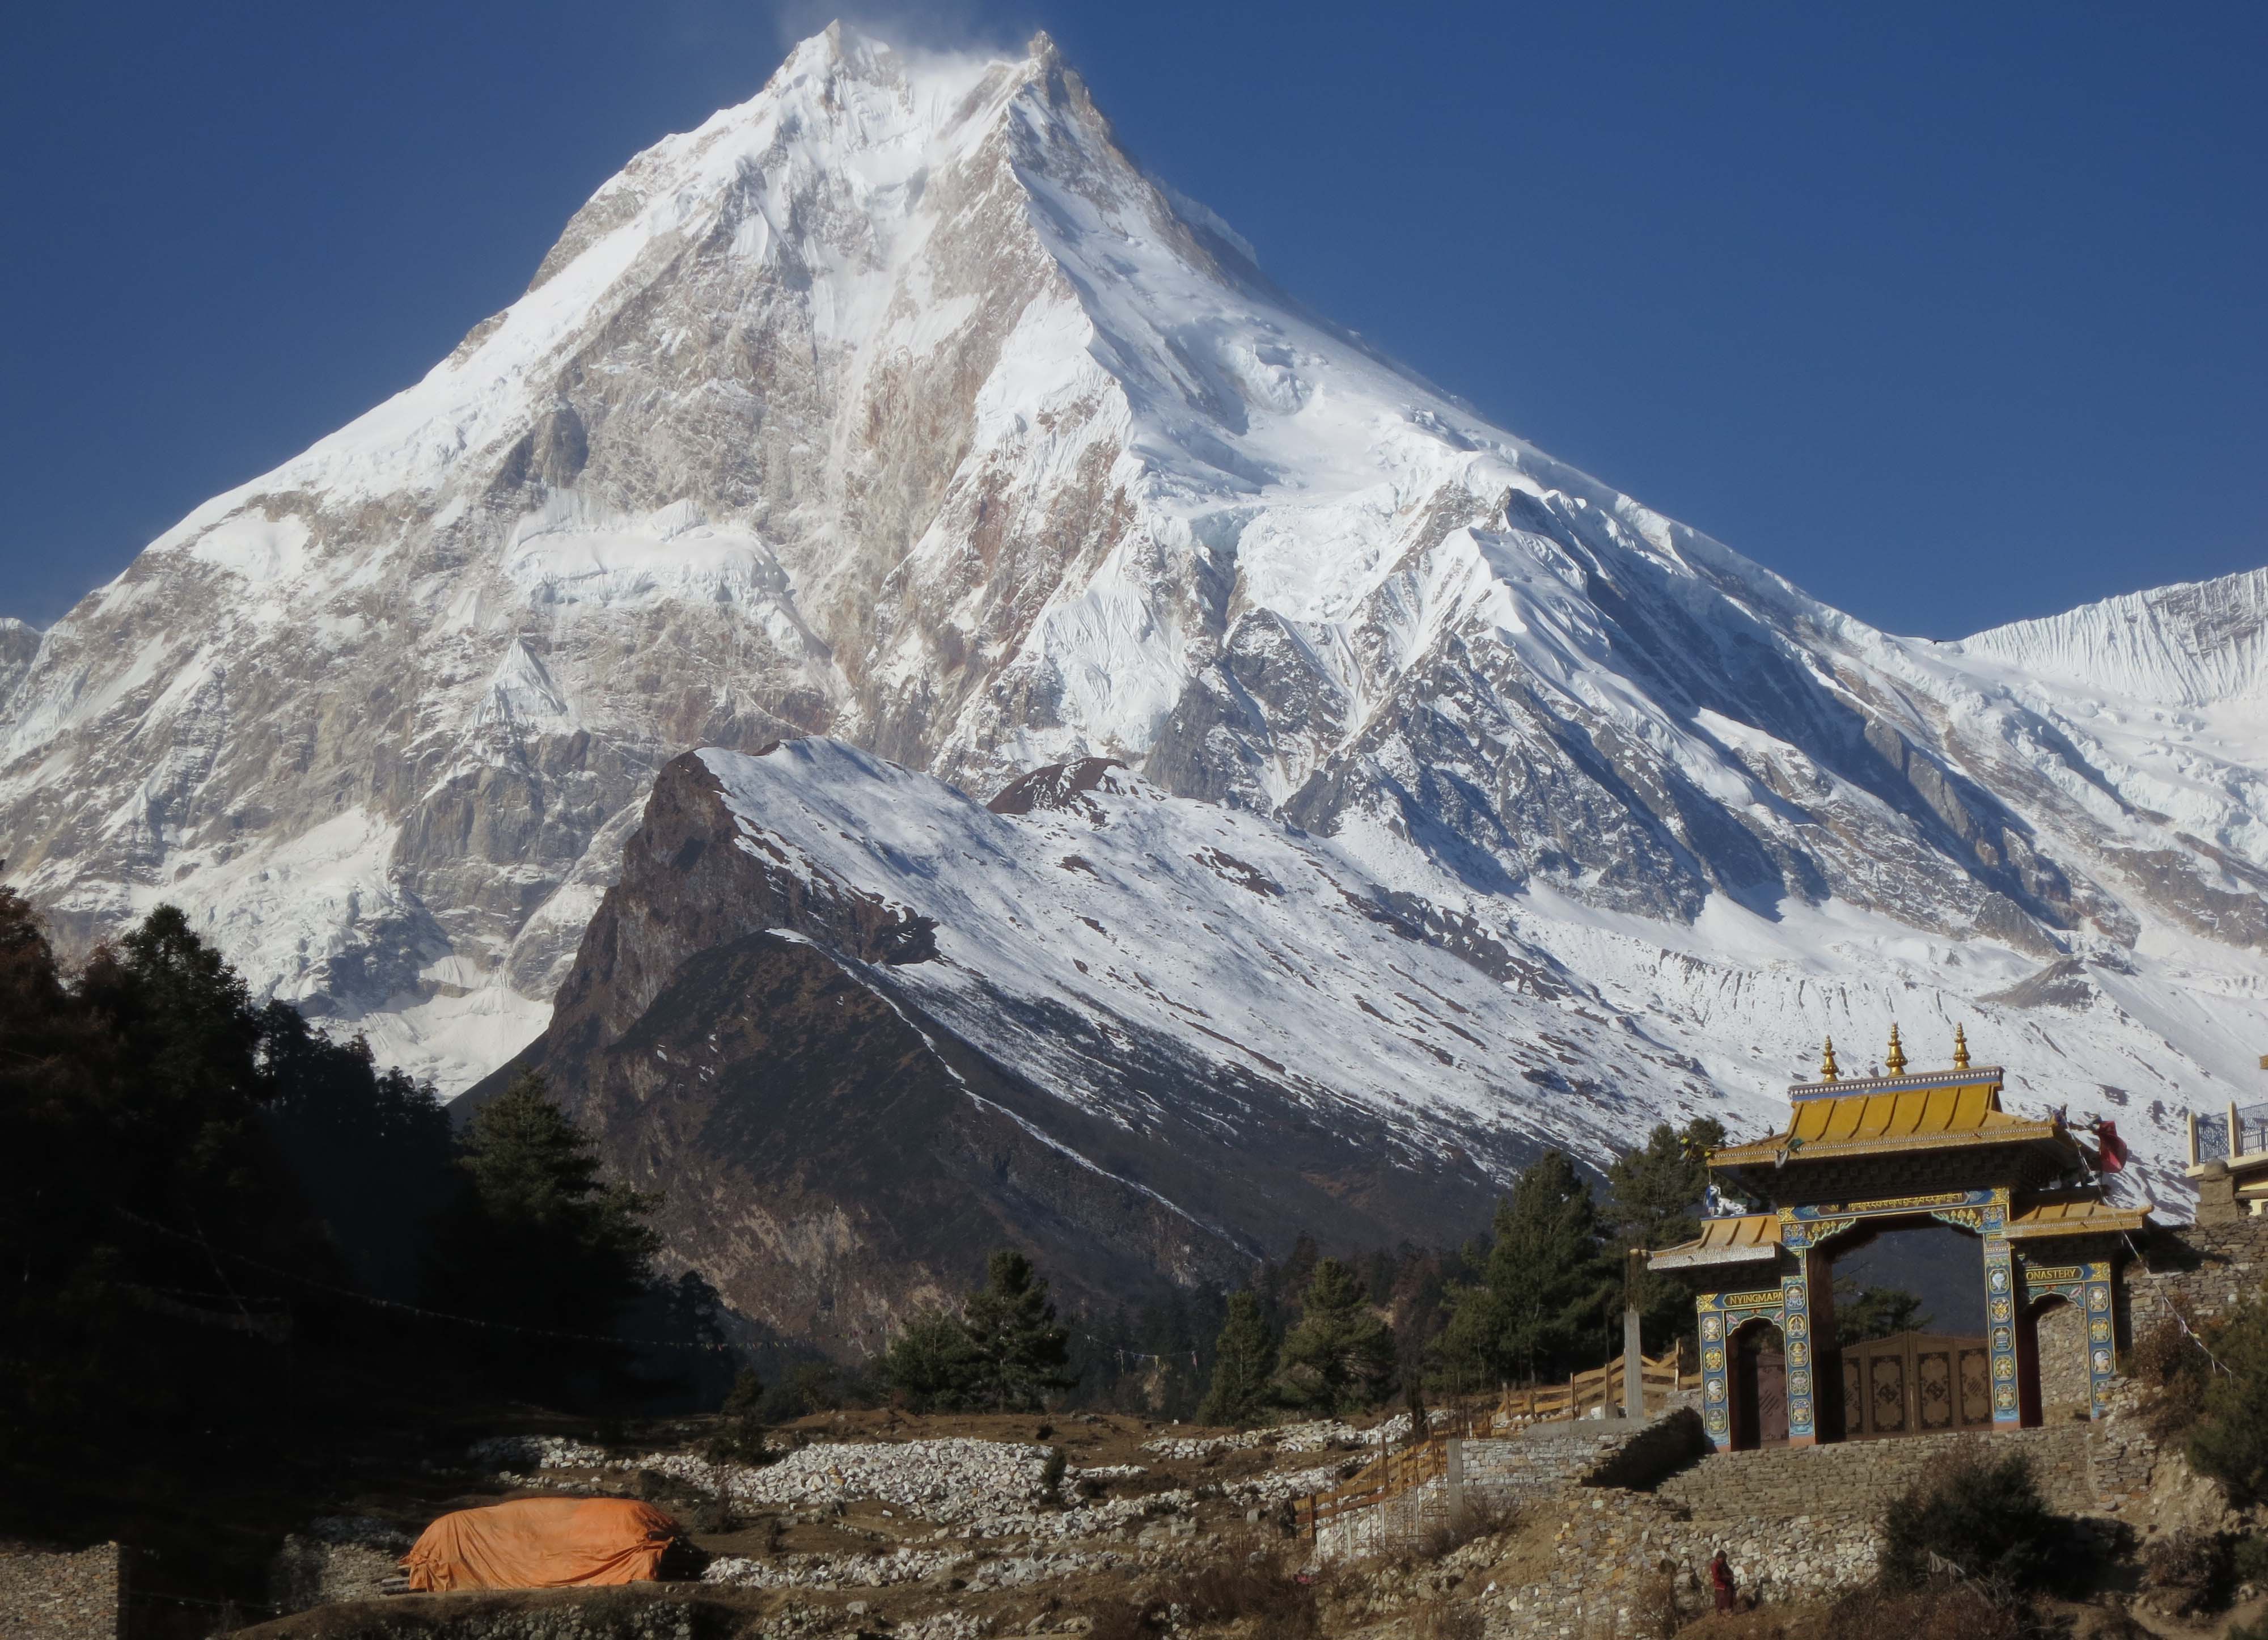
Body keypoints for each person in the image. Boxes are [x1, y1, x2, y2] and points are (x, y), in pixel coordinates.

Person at [1709, 1549, 1736, 1613]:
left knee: (1730, 1595)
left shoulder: (1724, 1564)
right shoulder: (1715, 1565)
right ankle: (1722, 1613)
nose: (1724, 1560)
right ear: (1719, 1558)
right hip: (1720, 1585)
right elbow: (1717, 1577)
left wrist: (1731, 1576)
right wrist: (1728, 1577)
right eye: (1723, 1558)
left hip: (1726, 1583)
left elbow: (1729, 1571)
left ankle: (1729, 1610)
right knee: (1722, 1600)